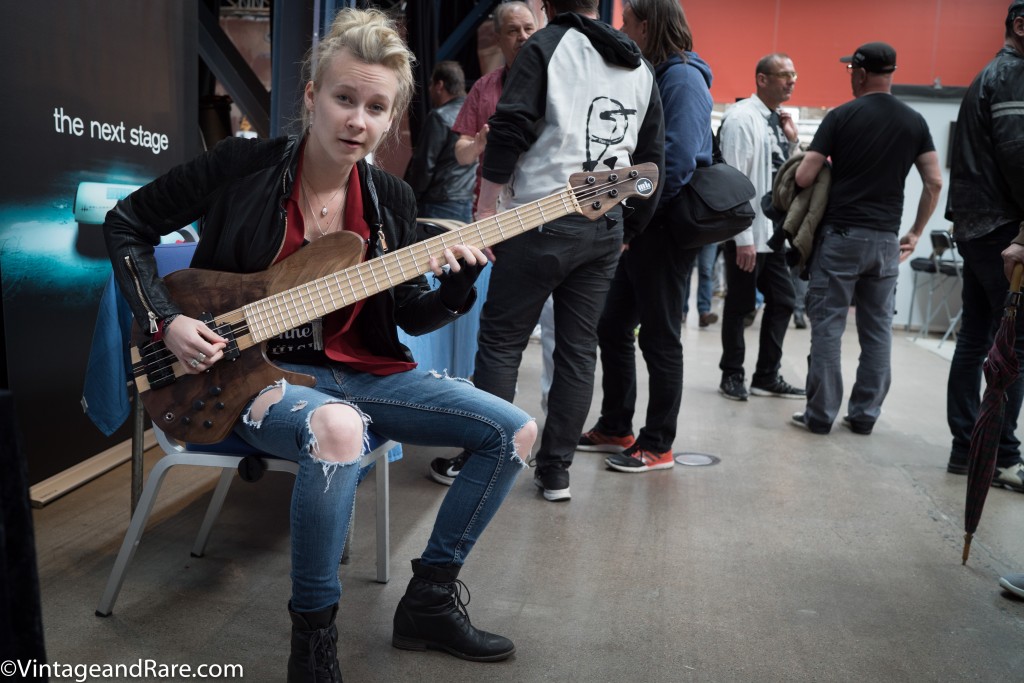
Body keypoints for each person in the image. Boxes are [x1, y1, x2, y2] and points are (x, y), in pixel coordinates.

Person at [103, 9, 537, 680]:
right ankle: (312, 642)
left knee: (513, 431)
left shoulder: (389, 198)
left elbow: (409, 317)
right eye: (343, 98)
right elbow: (126, 223)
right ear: (311, 97)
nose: (357, 120)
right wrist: (165, 321)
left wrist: (457, 287)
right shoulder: (242, 166)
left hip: (363, 373)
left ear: (391, 119)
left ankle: (427, 599)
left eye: (375, 107)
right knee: (338, 430)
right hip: (248, 376)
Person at [439, 0, 664, 500]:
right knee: (577, 351)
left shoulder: (546, 46)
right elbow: (653, 159)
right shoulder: (639, 64)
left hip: (538, 219)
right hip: (603, 226)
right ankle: (556, 470)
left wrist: (486, 213)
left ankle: (491, 458)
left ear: (547, 5)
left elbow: (510, 128)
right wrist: (628, 229)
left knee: (501, 343)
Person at [577, 0, 710, 473]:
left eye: (628, 22)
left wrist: (636, 221)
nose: (622, 29)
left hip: (664, 230)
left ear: (649, 26)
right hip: (644, 227)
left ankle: (658, 445)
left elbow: (673, 164)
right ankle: (617, 425)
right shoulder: (658, 74)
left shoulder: (684, 79)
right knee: (612, 325)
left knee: (660, 337)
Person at [791, 42, 942, 434]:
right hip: (886, 242)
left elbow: (804, 177)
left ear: (859, 72)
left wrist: (823, 160)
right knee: (877, 333)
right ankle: (864, 416)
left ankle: (820, 416)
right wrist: (916, 231)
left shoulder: (841, 116)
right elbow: (934, 181)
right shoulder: (915, 121)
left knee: (828, 328)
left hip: (841, 238)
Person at [427, 0, 540, 486]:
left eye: (528, 28)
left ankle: (548, 459)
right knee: (491, 342)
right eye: (511, 30)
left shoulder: (557, 81)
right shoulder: (486, 87)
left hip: (547, 222)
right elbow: (459, 149)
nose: (521, 36)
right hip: (493, 225)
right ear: (497, 36)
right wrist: (481, 144)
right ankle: (490, 444)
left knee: (560, 345)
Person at [944, 0, 1024, 490]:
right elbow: (1018, 156)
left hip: (975, 225)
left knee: (975, 340)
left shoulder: (986, 75)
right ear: (1020, 25)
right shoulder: (1013, 74)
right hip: (1001, 228)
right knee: (1014, 344)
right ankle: (1000, 454)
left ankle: (966, 450)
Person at [716, 53, 805, 402]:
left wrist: (792, 140)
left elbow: (786, 176)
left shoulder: (777, 121)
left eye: (794, 74)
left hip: (773, 235)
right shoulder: (741, 119)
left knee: (783, 301)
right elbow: (734, 182)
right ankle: (732, 375)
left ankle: (766, 375)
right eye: (784, 75)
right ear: (762, 79)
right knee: (740, 306)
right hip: (748, 236)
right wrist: (742, 239)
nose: (792, 81)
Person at [403, 60, 476, 222]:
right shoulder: (474, 113)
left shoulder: (439, 116)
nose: (429, 90)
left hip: (438, 203)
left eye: (431, 85)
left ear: (439, 85)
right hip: (466, 200)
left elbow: (424, 165)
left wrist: (410, 199)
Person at [682, 243, 720, 327]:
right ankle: (682, 310)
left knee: (706, 271)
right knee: (686, 271)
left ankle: (704, 312)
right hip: (691, 234)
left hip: (711, 236)